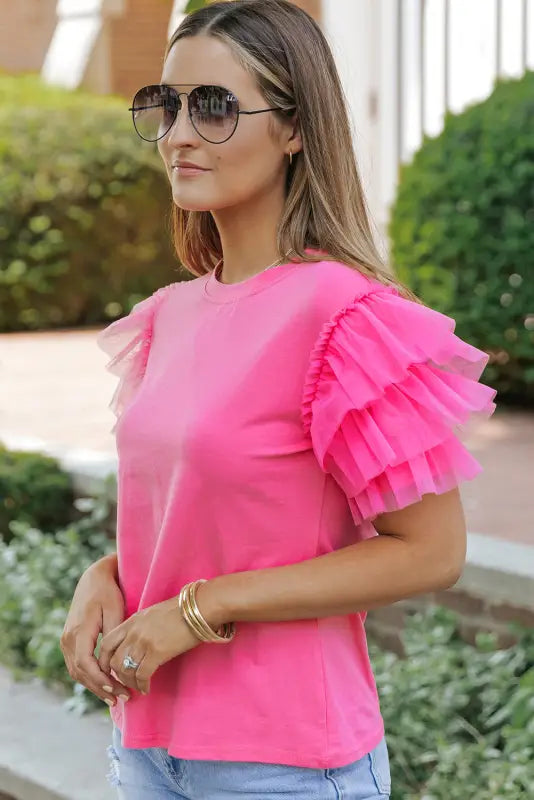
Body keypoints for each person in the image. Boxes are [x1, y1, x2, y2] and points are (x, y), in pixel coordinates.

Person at [59, 1, 497, 797]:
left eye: (215, 106)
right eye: (168, 105)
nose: (180, 133)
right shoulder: (168, 317)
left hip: (285, 765)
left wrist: (199, 610)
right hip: (148, 748)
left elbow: (432, 551)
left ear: (295, 128)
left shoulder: (346, 317)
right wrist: (107, 575)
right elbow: (207, 513)